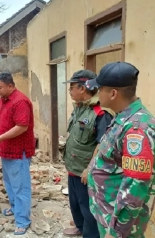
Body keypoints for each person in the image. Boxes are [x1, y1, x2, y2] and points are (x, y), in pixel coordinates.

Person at [86, 62, 155, 238]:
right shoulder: (123, 118)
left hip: (120, 227)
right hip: (107, 213)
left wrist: (115, 232)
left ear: (113, 93)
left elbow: (135, 187)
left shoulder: (136, 129)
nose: (97, 93)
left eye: (99, 89)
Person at [62, 70, 113, 238]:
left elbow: (102, 144)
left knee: (88, 207)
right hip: (73, 168)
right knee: (75, 204)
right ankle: (80, 227)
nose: (70, 91)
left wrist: (89, 169)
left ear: (82, 88)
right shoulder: (80, 108)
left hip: (85, 172)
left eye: (72, 87)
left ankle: (89, 234)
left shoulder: (100, 113)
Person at [0, 72, 35, 236]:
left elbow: (22, 126)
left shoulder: (20, 101)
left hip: (18, 151)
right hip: (6, 150)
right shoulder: (4, 100)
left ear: (10, 86)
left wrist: (0, 137)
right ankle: (16, 208)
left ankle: (23, 220)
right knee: (9, 182)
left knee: (21, 186)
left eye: (0, 87)